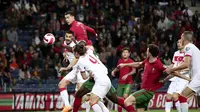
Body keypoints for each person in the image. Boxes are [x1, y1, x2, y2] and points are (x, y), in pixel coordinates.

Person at [117, 44, 191, 112]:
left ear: (150, 53)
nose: (146, 52)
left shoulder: (158, 64)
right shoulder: (147, 60)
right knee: (139, 110)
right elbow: (139, 64)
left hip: (147, 91)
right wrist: (125, 65)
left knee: (127, 102)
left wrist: (187, 78)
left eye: (147, 50)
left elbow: (172, 72)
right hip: (144, 90)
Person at [166, 31, 200, 112]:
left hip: (198, 77)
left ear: (184, 38)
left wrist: (172, 69)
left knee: (182, 96)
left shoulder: (188, 47)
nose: (180, 39)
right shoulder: (195, 48)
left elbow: (186, 64)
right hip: (196, 77)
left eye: (181, 37)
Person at [73, 43, 111, 112]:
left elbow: (84, 77)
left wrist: (89, 75)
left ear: (76, 53)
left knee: (92, 102)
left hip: (100, 80)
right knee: (94, 100)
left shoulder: (80, 61)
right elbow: (90, 47)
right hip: (106, 78)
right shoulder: (89, 52)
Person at [58, 31, 86, 112]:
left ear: (73, 38)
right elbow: (65, 49)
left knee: (83, 95)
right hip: (75, 70)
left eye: (70, 37)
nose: (67, 38)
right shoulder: (65, 42)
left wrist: (67, 68)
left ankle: (102, 106)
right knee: (61, 84)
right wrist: (64, 53)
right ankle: (67, 106)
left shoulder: (74, 46)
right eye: (66, 36)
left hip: (81, 69)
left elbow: (76, 58)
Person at [165, 39, 190, 112]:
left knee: (175, 96)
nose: (178, 44)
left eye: (180, 42)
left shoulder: (187, 54)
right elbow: (173, 64)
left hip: (184, 77)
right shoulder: (176, 53)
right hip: (175, 76)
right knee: (168, 97)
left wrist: (176, 70)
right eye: (177, 42)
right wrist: (166, 68)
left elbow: (188, 67)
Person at [111, 47, 136, 112]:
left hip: (128, 83)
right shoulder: (120, 61)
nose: (125, 53)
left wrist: (127, 75)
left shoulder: (131, 61)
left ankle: (130, 110)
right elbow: (118, 68)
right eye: (123, 52)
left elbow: (134, 71)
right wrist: (114, 71)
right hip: (120, 83)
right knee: (119, 99)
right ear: (122, 54)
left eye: (126, 52)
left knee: (125, 96)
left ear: (129, 54)